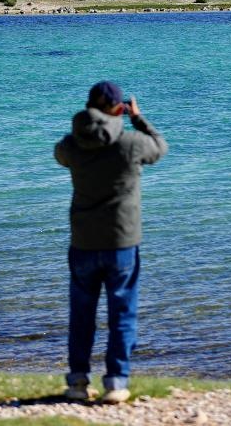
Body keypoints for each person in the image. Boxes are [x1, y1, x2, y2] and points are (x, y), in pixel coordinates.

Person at [54, 80, 168, 404]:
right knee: (122, 314)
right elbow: (160, 146)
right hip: (121, 243)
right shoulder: (131, 143)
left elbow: (59, 153)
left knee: (81, 315)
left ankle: (77, 381)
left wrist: (82, 127)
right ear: (119, 109)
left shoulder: (72, 145)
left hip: (83, 243)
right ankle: (116, 383)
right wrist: (138, 118)